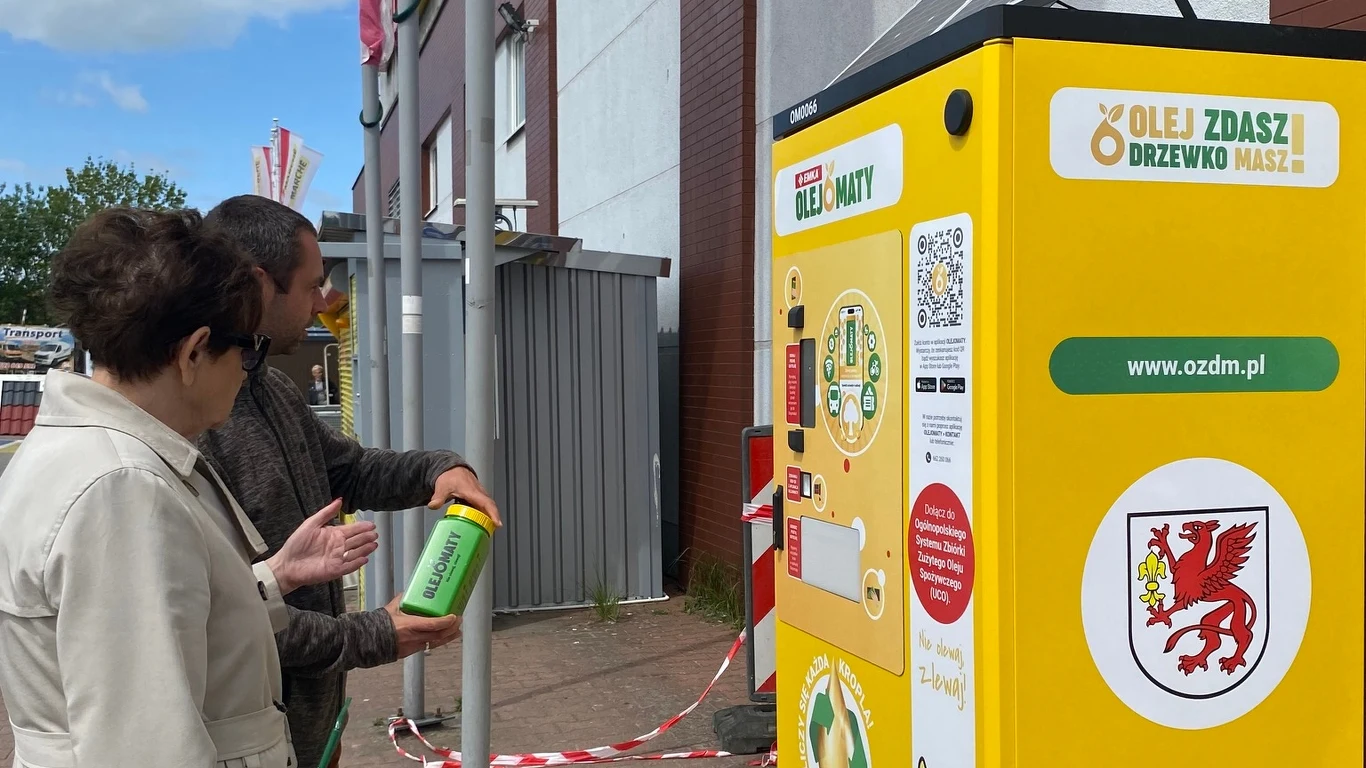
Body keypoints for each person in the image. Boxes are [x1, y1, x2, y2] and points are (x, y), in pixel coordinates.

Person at [0, 208, 380, 767]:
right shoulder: (122, 489)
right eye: (246, 347)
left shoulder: (87, 456)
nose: (250, 369)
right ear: (194, 352)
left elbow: (167, 625)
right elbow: (146, 747)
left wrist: (274, 579)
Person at [198, 194, 502, 768]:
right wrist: (375, 634)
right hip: (246, 739)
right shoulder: (195, 423)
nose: (326, 302)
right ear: (261, 285)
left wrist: (441, 467)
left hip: (315, 722)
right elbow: (228, 617)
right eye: (313, 285)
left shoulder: (271, 387)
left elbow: (351, 470)